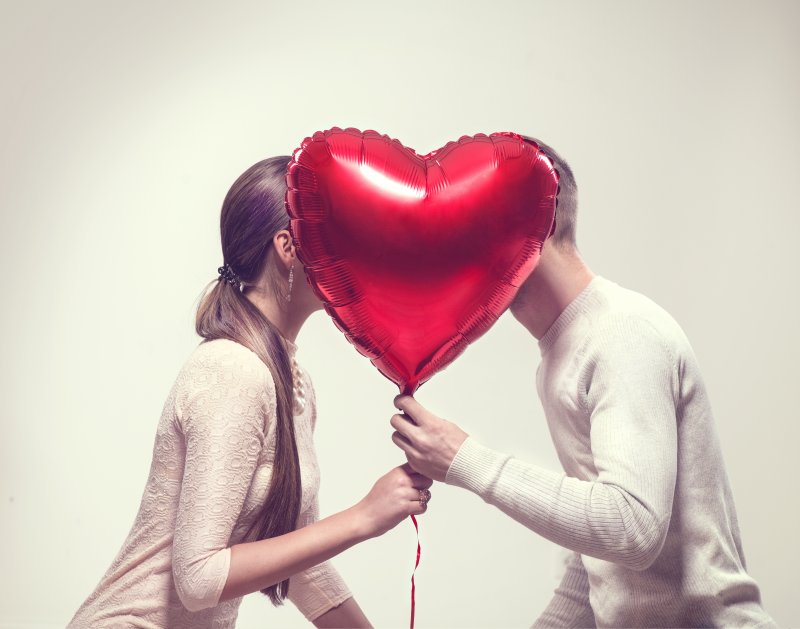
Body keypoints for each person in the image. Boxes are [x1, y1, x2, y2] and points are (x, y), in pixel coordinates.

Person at [389, 137, 775, 627]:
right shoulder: (559, 354)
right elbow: (594, 566)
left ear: (541, 223)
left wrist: (466, 460)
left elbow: (631, 527)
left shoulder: (623, 334)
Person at [68, 156, 433, 629]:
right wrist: (363, 517)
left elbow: (301, 566)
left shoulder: (291, 382)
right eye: (336, 235)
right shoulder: (233, 371)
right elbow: (198, 580)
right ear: (287, 247)